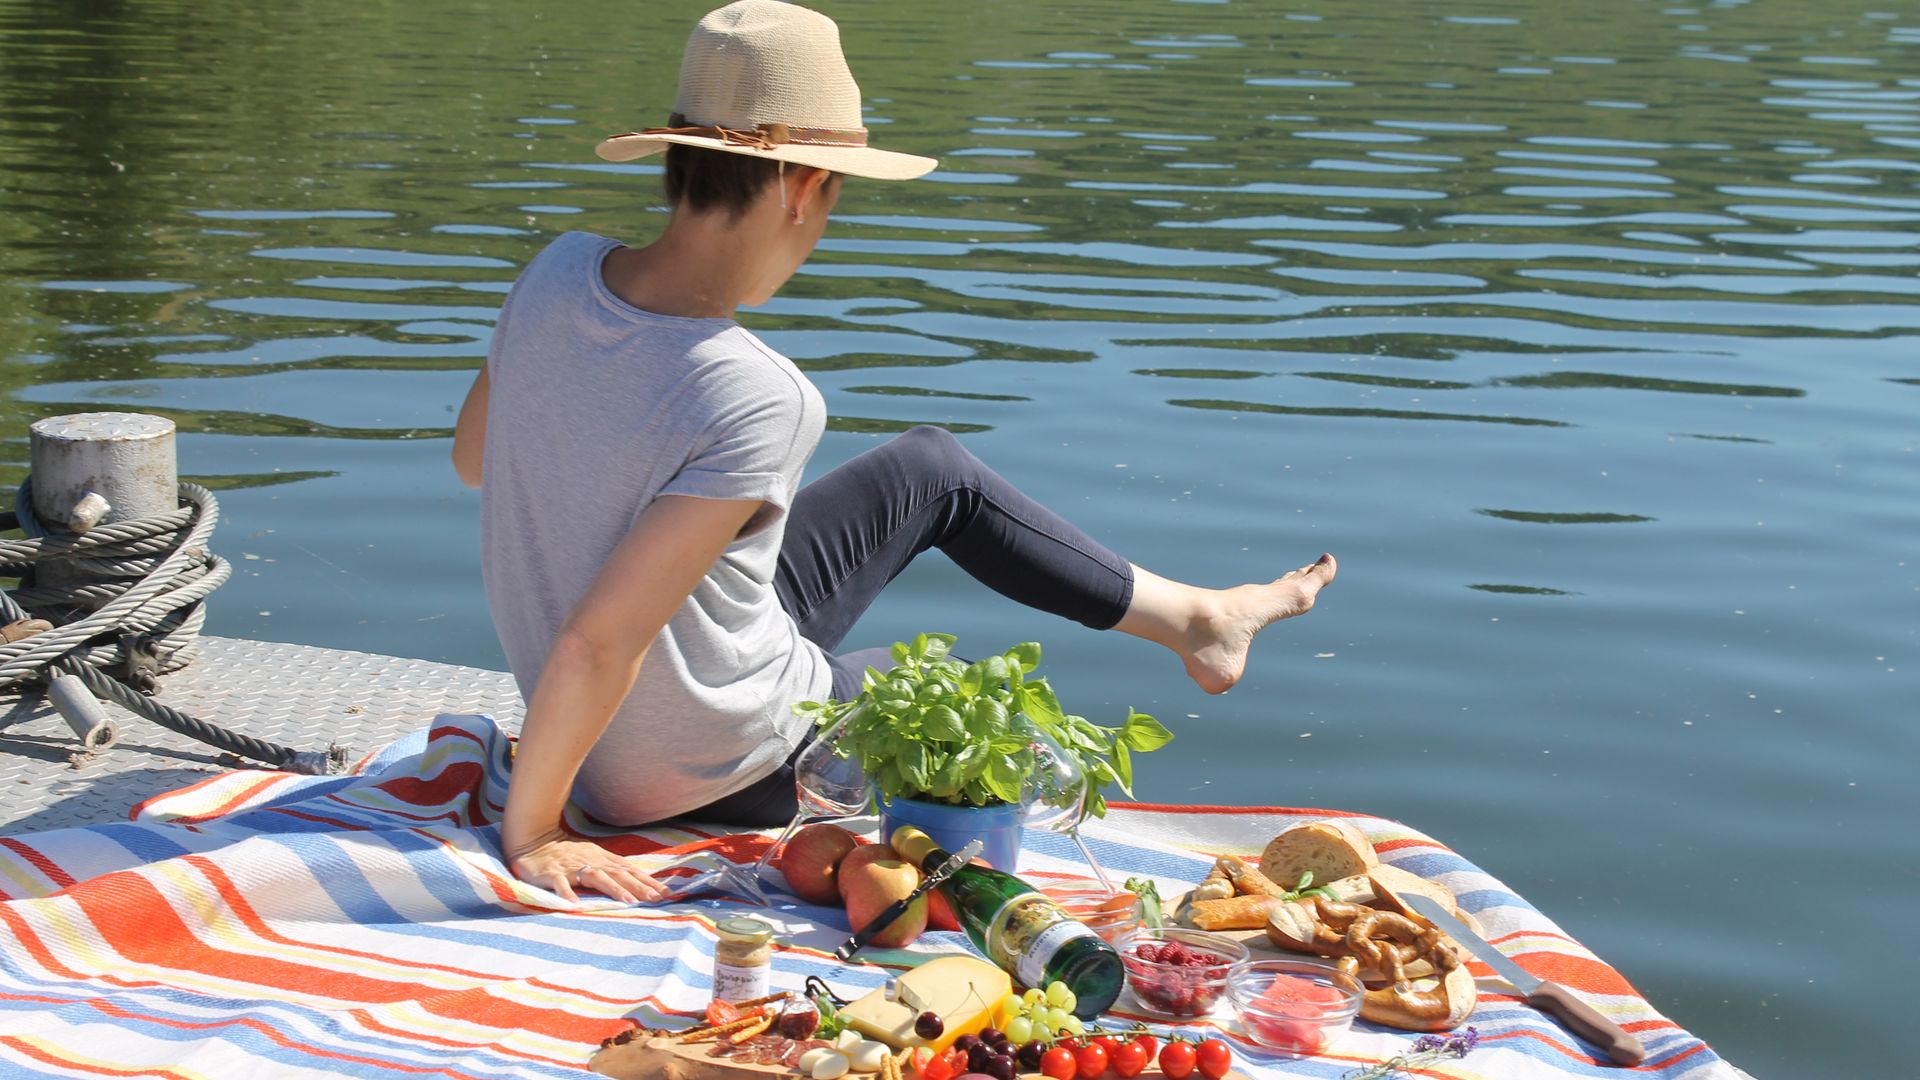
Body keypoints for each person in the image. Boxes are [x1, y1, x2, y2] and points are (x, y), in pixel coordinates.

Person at [451, 0, 1336, 905]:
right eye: (835, 199)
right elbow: (600, 641)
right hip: (712, 768)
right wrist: (536, 831)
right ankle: (1196, 629)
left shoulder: (555, 273)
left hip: (600, 736)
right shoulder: (757, 391)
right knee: (950, 691)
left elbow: (476, 460)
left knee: (929, 472)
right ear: (803, 189)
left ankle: (1197, 619)